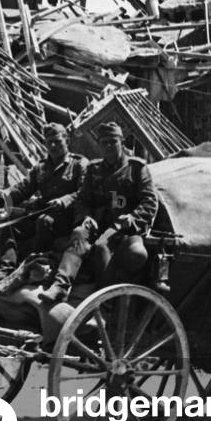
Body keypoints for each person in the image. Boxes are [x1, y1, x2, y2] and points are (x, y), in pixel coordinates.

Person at [39, 121, 159, 303]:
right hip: (98, 223)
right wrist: (85, 217)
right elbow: (82, 199)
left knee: (102, 246)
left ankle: (105, 302)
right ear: (100, 145)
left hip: (125, 228)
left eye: (113, 141)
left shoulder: (137, 169)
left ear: (122, 142)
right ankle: (60, 286)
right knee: (79, 233)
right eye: (104, 143)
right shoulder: (94, 169)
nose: (109, 146)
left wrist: (133, 218)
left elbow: (149, 201)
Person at [0, 123, 88, 266]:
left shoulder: (79, 164)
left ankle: (37, 263)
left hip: (68, 218)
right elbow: (24, 188)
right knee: (8, 221)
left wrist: (64, 200)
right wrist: (5, 194)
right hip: (43, 212)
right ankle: (6, 266)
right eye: (49, 142)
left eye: (57, 142)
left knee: (44, 221)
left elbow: (84, 193)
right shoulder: (41, 167)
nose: (53, 146)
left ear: (67, 141)